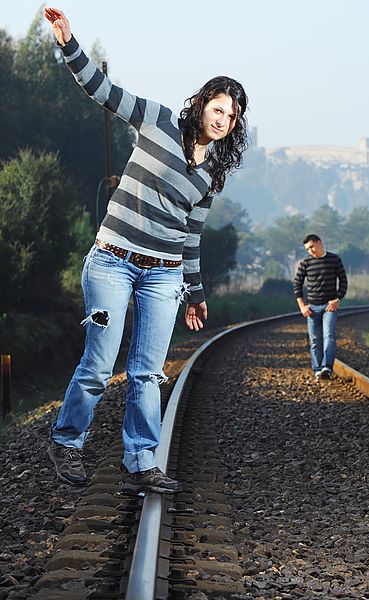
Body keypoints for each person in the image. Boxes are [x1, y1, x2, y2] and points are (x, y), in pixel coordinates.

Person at [43, 7, 249, 494]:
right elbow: (103, 91)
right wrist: (69, 43)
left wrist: (195, 293)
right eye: (218, 109)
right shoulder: (156, 121)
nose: (223, 120)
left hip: (165, 276)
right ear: (202, 104)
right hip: (112, 261)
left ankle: (140, 462)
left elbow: (191, 237)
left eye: (232, 116)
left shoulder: (210, 174)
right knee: (100, 362)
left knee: (147, 373)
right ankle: (66, 440)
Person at [293, 234, 348, 381]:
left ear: (319, 243)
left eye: (312, 246)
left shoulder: (334, 259)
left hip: (329, 306)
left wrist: (337, 299)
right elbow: (297, 285)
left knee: (328, 336)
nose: (310, 250)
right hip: (312, 308)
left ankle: (326, 368)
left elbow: (343, 281)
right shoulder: (305, 263)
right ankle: (317, 370)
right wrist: (302, 306)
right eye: (307, 249)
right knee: (315, 340)